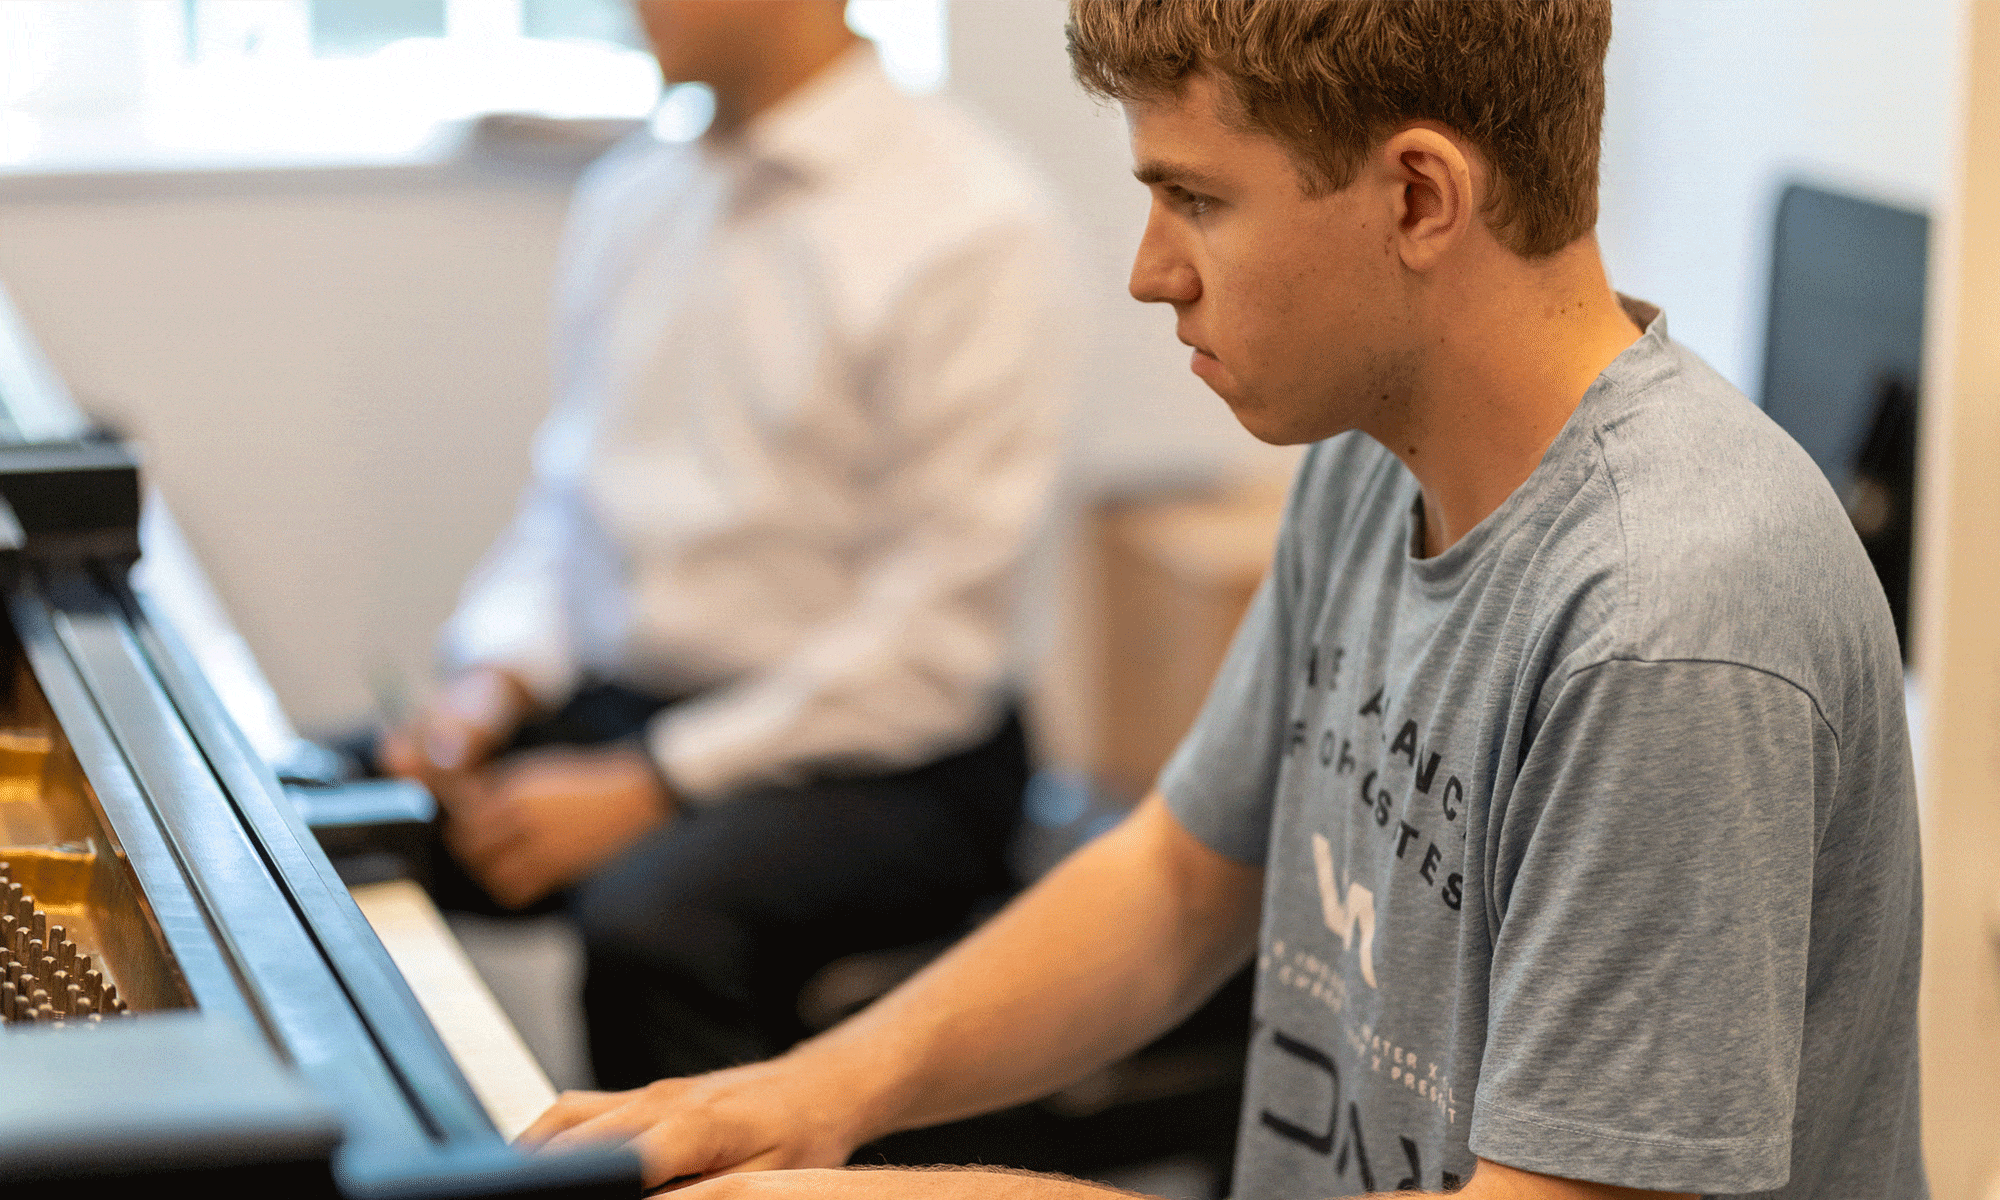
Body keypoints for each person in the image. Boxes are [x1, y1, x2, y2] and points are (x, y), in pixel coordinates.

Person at [517, 2, 1926, 1197]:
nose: (1151, 271)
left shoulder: (1670, 620)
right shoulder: (1378, 463)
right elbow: (1184, 877)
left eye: (1195, 198)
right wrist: (808, 1097)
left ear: (1420, 197)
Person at [380, 0, 1071, 1087]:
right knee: (337, 814)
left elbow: (934, 639)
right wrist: (490, 684)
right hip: (642, 705)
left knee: (649, 924)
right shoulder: (634, 198)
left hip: (891, 756)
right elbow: (570, 510)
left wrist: (648, 785)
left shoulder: (970, 218)